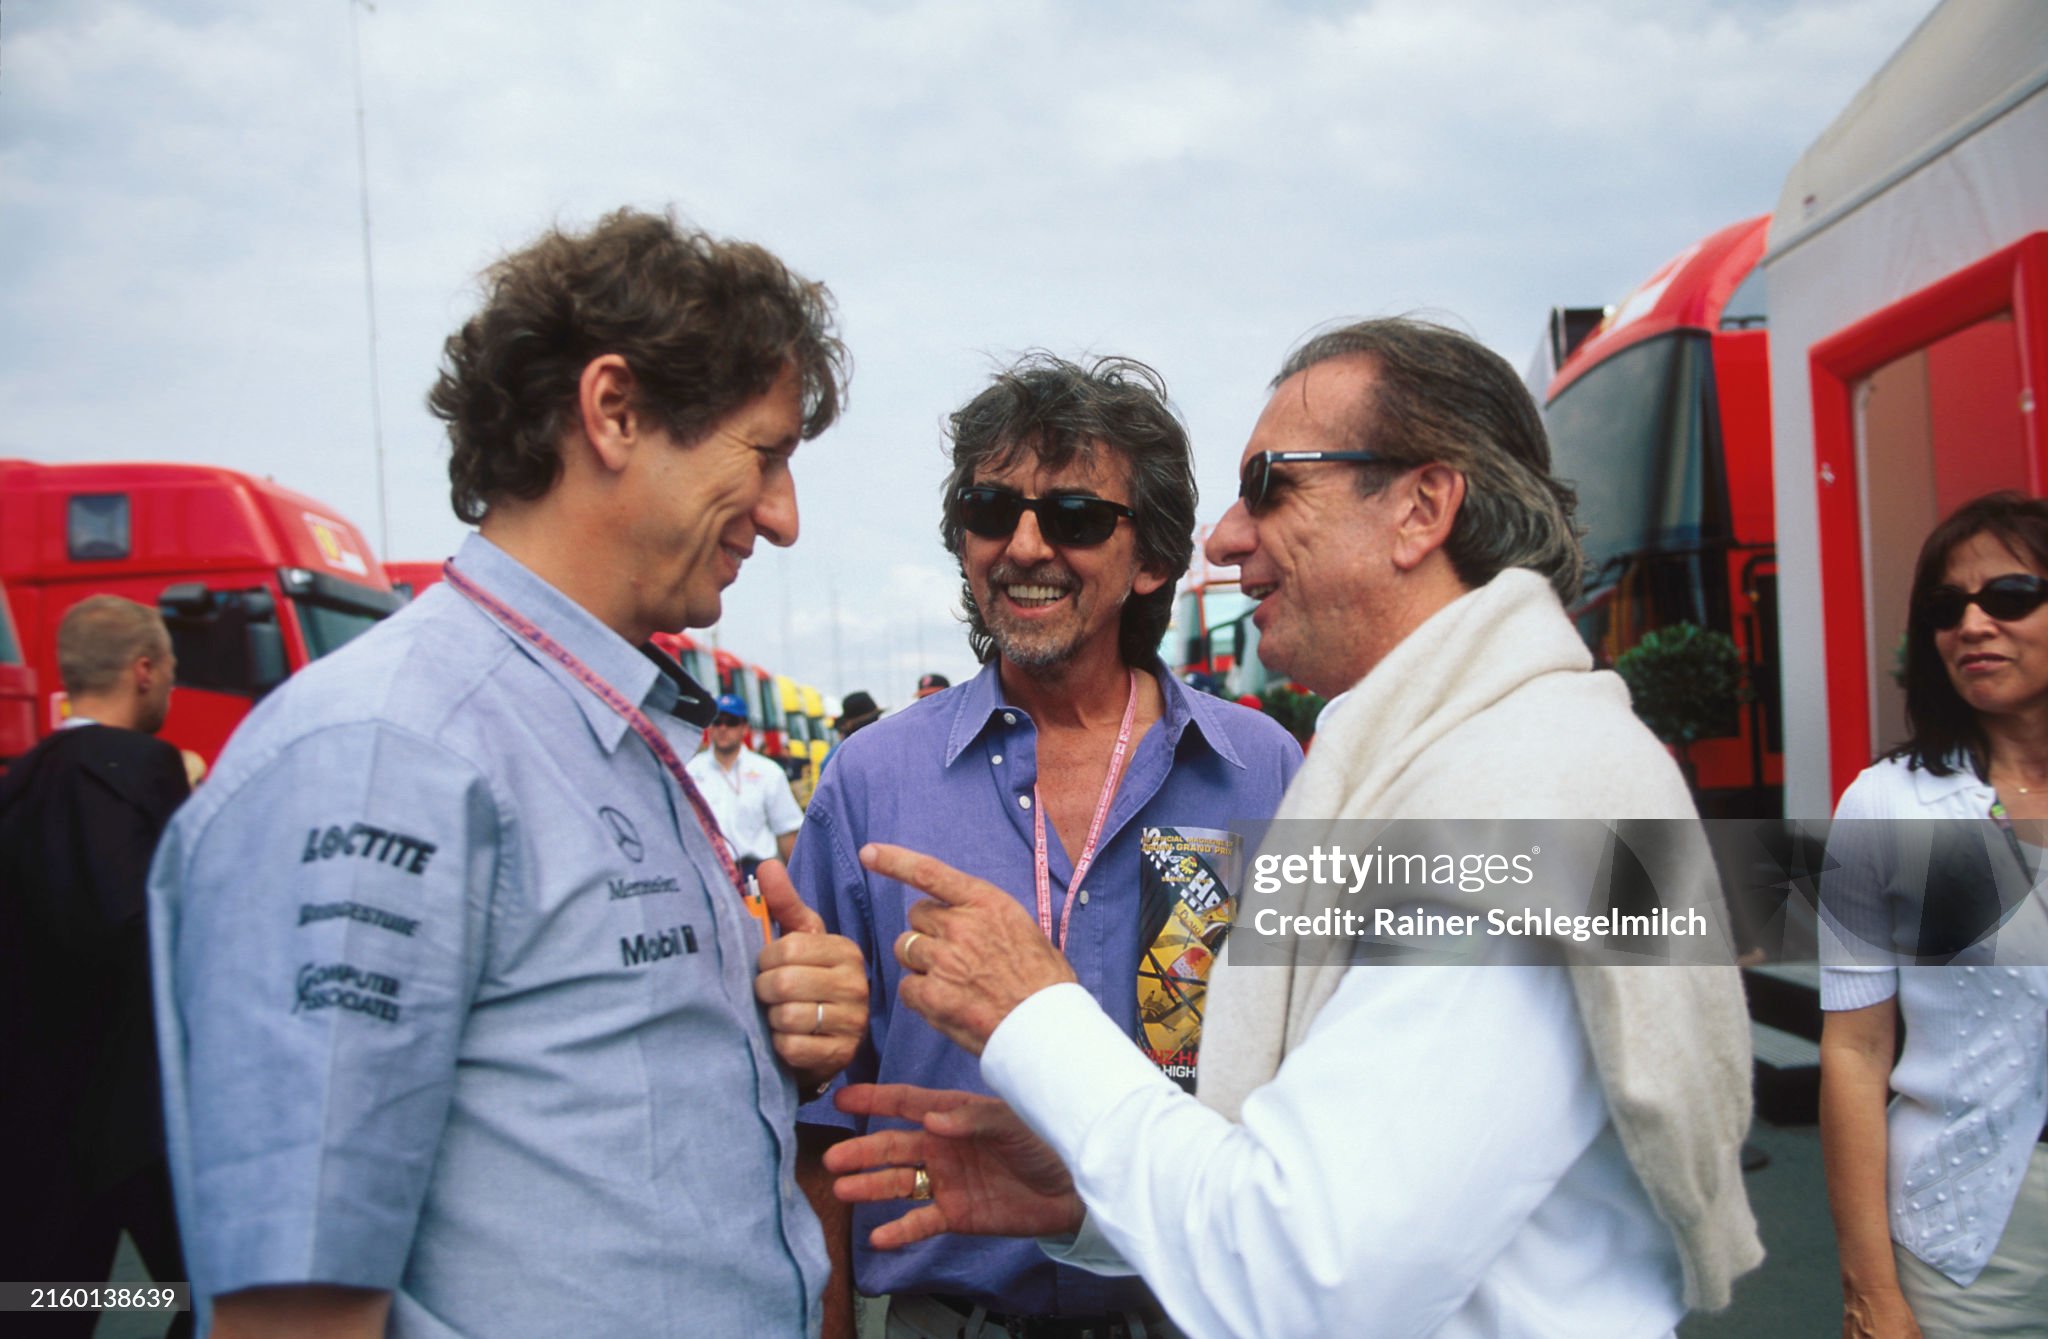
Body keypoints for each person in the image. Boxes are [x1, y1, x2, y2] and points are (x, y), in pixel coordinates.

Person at [828, 319, 1763, 1338]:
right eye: (987, 508)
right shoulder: (1468, 763)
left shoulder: (1523, 789)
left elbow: (1308, 1277)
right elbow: (1307, 1184)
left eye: (1270, 483)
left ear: (1420, 508)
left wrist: (1033, 1012)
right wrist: (1081, 1200)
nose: (1227, 539)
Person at [146, 207, 870, 1339]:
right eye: (765, 454)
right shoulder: (386, 757)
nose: (780, 518)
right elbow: (294, 1308)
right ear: (615, 412)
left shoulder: (608, 724)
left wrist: (775, 1023)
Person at [792, 353, 1301, 1338]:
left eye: (1072, 518)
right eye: (991, 511)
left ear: (1150, 560)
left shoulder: (1257, 772)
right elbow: (817, 1114)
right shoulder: (871, 782)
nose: (1024, 545)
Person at [1818, 491, 2048, 1337]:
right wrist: (1871, 1289)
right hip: (1965, 1237)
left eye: (2011, 596)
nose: (1974, 624)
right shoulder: (1888, 804)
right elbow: (1855, 1049)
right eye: (1947, 609)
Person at [0, 595, 192, 1338]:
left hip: (36, 1111)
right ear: (145, 671)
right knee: (194, 1295)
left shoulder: (24, 778)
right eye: (171, 668)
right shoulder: (139, 769)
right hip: (138, 1112)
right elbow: (149, 924)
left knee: (44, 1300)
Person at [689, 690, 805, 876]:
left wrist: (798, 885)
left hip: (755, 876)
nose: (723, 728)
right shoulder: (691, 771)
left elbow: (786, 833)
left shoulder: (768, 772)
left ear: (744, 727)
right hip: (709, 873)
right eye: (717, 721)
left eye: (731, 722)